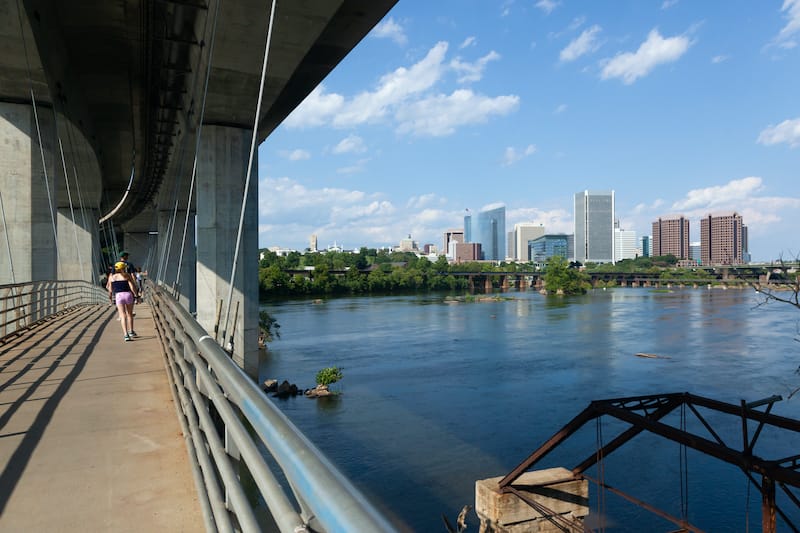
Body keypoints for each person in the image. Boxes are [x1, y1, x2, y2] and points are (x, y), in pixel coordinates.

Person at [107, 261, 140, 341]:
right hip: (128, 295)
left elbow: (110, 290)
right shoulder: (127, 275)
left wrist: (110, 298)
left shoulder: (112, 277)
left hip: (118, 296)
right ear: (124, 268)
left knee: (122, 315)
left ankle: (126, 335)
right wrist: (136, 295)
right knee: (129, 314)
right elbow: (132, 286)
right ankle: (131, 331)